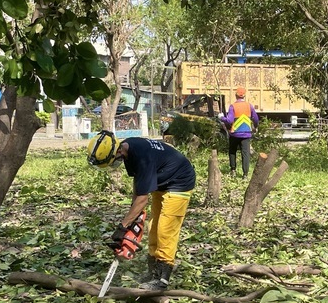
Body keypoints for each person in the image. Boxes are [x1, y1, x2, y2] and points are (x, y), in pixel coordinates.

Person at [87, 131, 196, 290]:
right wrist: (133, 215)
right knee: (153, 227)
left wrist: (123, 226)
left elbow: (143, 199)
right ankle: (153, 273)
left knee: (165, 230)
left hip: (180, 182)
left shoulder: (141, 156)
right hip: (162, 182)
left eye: (112, 161)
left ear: (117, 152)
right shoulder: (127, 150)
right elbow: (139, 187)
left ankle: (162, 279)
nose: (114, 164)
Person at [223, 87, 259, 178]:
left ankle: (233, 171)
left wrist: (221, 118)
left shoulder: (233, 106)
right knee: (245, 154)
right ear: (244, 95)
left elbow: (229, 120)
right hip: (246, 133)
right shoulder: (249, 106)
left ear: (236, 95)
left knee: (232, 151)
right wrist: (255, 126)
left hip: (234, 133)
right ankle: (245, 175)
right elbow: (256, 119)